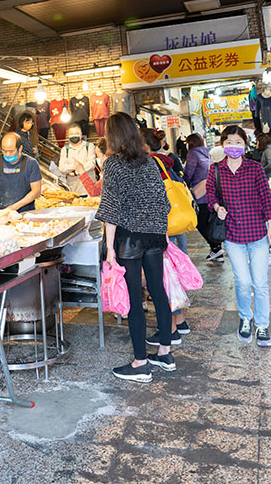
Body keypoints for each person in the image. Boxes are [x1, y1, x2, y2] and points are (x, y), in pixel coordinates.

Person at [96, 112, 174, 382]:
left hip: (130, 239)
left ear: (112, 136)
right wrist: (160, 232)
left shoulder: (113, 165)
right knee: (158, 291)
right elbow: (164, 203)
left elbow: (110, 209)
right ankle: (165, 352)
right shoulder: (149, 163)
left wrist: (109, 248)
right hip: (155, 236)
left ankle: (141, 363)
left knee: (134, 300)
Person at [206, 125, 271, 347]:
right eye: (229, 142)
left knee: (260, 282)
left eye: (238, 142)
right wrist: (217, 206)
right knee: (243, 281)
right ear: (222, 144)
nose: (234, 146)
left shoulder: (255, 168)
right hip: (232, 234)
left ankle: (263, 325)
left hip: (257, 234)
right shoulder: (216, 169)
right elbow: (210, 194)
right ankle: (246, 318)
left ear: (245, 145)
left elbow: (266, 197)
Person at [141, 126, 190, 341]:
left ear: (143, 145)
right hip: (171, 224)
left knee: (161, 280)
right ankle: (180, 322)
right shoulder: (166, 160)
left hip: (159, 227)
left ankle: (168, 330)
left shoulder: (148, 164)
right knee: (170, 276)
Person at [184, 134, 223, 263]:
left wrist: (184, 184)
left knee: (200, 222)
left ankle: (216, 247)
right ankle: (216, 249)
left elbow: (189, 172)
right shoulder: (207, 152)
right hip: (210, 190)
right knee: (208, 221)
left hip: (199, 193)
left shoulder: (193, 154)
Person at [0, 132, 42, 212]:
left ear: (20, 148)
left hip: (27, 213)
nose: (7, 154)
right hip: (3, 212)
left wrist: (14, 207)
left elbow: (36, 191)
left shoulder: (31, 163)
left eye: (11, 151)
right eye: (4, 151)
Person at [58, 124, 96, 195]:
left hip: (89, 189)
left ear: (81, 134)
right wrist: (75, 166)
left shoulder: (89, 146)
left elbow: (91, 164)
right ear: (68, 135)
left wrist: (75, 172)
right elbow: (62, 168)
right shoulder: (64, 150)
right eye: (71, 134)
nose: (74, 135)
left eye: (76, 133)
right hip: (73, 190)